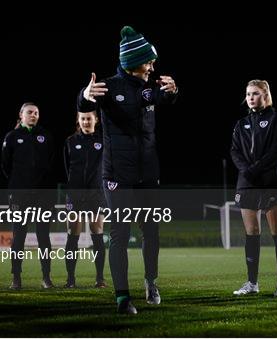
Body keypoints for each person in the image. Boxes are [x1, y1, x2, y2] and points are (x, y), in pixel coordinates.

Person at [77, 26, 178, 314]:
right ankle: (122, 297)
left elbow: (165, 98)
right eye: (149, 61)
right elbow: (84, 102)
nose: (153, 66)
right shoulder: (108, 86)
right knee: (119, 234)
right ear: (134, 62)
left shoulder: (149, 87)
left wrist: (173, 91)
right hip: (117, 176)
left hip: (148, 173)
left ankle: (150, 281)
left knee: (151, 231)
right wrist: (85, 94)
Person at [230, 80, 277, 298]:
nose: (251, 97)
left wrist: (255, 168)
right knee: (252, 233)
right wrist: (247, 171)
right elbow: (234, 151)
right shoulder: (241, 123)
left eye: (255, 93)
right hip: (247, 183)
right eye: (247, 94)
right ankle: (252, 283)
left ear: (265, 95)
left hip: (270, 181)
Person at [2, 102, 56, 290]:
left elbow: (52, 165)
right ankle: (16, 278)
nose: (33, 115)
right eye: (30, 112)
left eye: (36, 112)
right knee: (19, 238)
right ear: (21, 115)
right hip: (20, 195)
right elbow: (5, 166)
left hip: (43, 196)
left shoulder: (46, 136)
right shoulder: (12, 137)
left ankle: (46, 278)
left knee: (44, 237)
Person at [63, 110, 107, 289]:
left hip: (96, 194)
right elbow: (67, 168)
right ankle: (71, 279)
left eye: (89, 118)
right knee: (73, 233)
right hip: (75, 194)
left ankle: (100, 278)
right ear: (78, 121)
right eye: (83, 119)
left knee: (97, 232)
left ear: (96, 120)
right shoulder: (70, 142)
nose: (86, 121)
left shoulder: (103, 141)